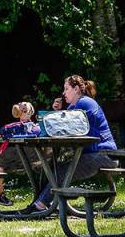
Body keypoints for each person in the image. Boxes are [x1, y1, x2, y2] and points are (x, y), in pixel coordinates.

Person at [26, 75, 118, 212]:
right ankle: (41, 202)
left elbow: (63, 125)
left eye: (66, 89)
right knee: (53, 168)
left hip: (103, 155)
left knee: (62, 171)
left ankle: (41, 205)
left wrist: (58, 114)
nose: (63, 93)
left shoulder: (84, 103)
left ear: (76, 89)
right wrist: (58, 112)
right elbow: (62, 127)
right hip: (94, 154)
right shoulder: (75, 106)